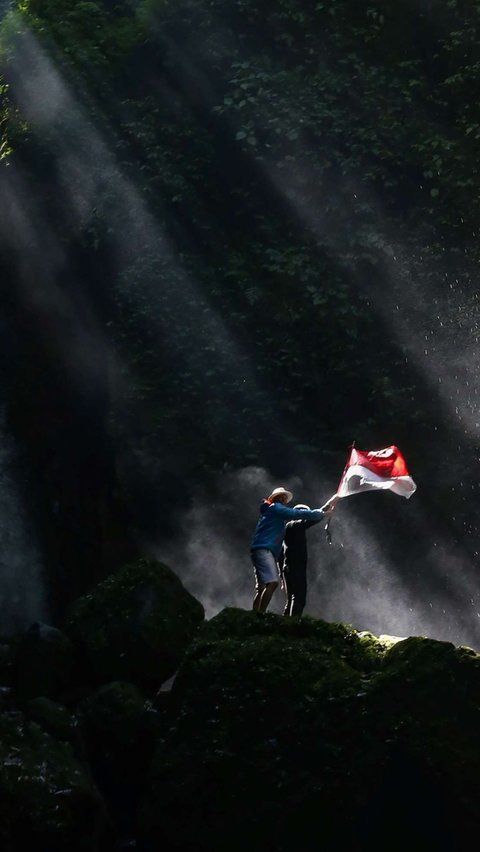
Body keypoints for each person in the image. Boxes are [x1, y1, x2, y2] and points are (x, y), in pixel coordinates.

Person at [250, 486, 337, 613]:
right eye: (284, 498)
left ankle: (254, 616)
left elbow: (281, 554)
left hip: (260, 551)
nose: (286, 501)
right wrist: (323, 513)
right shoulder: (278, 511)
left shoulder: (275, 517)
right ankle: (260, 616)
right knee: (279, 587)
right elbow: (299, 516)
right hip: (267, 551)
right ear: (280, 498)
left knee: (263, 588)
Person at [280, 504, 322, 617]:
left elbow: (280, 556)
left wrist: (282, 577)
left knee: (290, 599)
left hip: (287, 567)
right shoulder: (295, 525)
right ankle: (293, 626)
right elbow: (314, 518)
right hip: (295, 566)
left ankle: (284, 625)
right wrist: (324, 512)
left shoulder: (288, 528)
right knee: (299, 598)